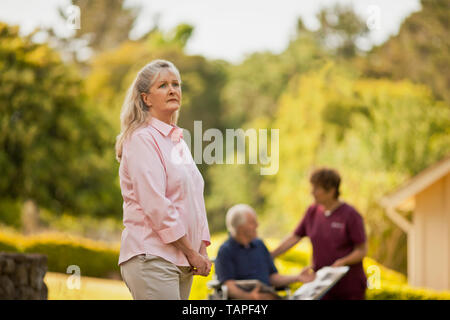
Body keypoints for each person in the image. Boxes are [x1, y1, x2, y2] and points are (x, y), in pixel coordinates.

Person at [115, 59, 212, 300]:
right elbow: (155, 204)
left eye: (176, 84)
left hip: (182, 261)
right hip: (152, 257)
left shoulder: (177, 141)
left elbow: (195, 201)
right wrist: (191, 252)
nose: (172, 90)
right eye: (163, 85)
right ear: (146, 98)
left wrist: (201, 249)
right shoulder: (141, 139)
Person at [271, 168, 368, 300]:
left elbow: (361, 250)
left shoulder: (350, 215)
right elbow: (295, 237)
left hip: (349, 287)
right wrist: (271, 255)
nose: (312, 192)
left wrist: (343, 262)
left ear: (331, 190)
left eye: (317, 188)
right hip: (322, 286)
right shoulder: (312, 212)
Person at [215, 204, 316, 300]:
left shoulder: (259, 245)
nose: (257, 225)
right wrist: (250, 297)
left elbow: (272, 277)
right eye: (252, 222)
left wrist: (298, 277)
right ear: (240, 227)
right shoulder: (225, 251)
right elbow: (229, 287)